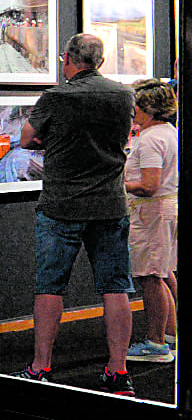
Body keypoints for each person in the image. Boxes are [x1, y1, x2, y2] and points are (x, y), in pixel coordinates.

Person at [14, 33, 136, 394]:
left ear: (67, 58)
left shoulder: (57, 96)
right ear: (99, 60)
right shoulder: (123, 94)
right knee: (116, 288)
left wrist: (53, 139)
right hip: (110, 203)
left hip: (61, 205)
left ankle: (40, 367)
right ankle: (118, 371)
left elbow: (24, 139)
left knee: (50, 286)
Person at [124, 78, 178, 363]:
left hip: (151, 211)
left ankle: (156, 344)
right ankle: (170, 335)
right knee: (165, 272)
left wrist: (120, 184)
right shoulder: (169, 133)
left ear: (146, 108)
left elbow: (149, 185)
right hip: (165, 209)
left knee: (150, 277)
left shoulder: (149, 140)